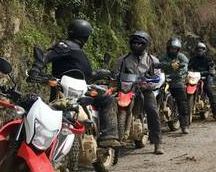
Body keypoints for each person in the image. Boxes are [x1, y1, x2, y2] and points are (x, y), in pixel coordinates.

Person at [29, 19, 121, 148]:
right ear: (86, 37)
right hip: (64, 91)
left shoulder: (76, 50)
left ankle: (105, 135)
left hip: (81, 89)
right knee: (109, 99)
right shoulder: (65, 46)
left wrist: (97, 74)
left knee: (108, 97)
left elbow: (83, 73)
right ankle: (109, 136)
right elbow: (45, 57)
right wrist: (35, 69)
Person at [114, 31, 164, 155]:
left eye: (139, 43)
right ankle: (110, 143)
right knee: (111, 108)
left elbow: (157, 77)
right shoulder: (123, 59)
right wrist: (114, 80)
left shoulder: (152, 60)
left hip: (144, 90)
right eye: (134, 43)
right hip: (126, 89)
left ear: (145, 44)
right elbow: (115, 74)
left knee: (152, 111)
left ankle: (157, 143)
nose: (136, 45)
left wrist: (148, 84)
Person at [159, 38, 190, 133]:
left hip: (177, 82)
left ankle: (184, 125)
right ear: (168, 48)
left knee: (182, 103)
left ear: (178, 49)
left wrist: (176, 69)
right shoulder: (163, 57)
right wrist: (169, 66)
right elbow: (158, 65)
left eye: (175, 48)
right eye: (171, 48)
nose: (173, 50)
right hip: (164, 81)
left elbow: (184, 67)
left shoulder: (181, 57)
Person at [189, 42, 216, 121]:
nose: (199, 51)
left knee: (210, 94)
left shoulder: (208, 59)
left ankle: (215, 114)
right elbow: (188, 67)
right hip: (194, 79)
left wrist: (211, 71)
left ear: (204, 50)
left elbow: (212, 67)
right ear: (196, 50)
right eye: (198, 49)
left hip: (205, 79)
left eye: (201, 49)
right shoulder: (192, 59)